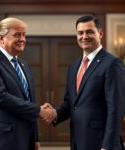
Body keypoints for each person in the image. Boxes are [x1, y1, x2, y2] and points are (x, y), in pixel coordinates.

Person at [43, 15, 125, 150]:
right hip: (78, 141)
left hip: (101, 143)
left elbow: (116, 109)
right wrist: (54, 114)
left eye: (89, 32)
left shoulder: (112, 64)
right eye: (80, 33)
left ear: (100, 33)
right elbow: (71, 104)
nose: (84, 36)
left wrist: (107, 146)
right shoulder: (74, 66)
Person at [0, 17, 56, 150]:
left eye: (24, 35)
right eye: (17, 35)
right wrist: (39, 111)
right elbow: (0, 97)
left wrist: (35, 138)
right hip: (0, 140)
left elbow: (30, 100)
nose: (22, 39)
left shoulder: (24, 65)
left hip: (26, 139)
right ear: (1, 38)